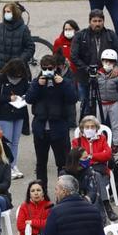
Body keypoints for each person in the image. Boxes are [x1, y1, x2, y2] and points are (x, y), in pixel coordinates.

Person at [26, 54, 79, 188]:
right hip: (41, 129)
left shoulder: (64, 81)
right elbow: (29, 99)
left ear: (55, 68)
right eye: (45, 68)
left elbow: (73, 98)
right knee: (41, 163)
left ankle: (63, 192)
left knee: (62, 164)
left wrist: (63, 84)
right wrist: (38, 85)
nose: (47, 71)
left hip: (59, 129)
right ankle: (42, 193)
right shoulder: (36, 81)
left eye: (50, 68)